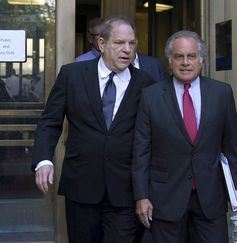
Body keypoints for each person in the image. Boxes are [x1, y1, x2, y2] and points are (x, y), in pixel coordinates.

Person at [32, 16, 155, 243]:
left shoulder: (146, 84)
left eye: (132, 43)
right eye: (119, 43)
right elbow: (50, 121)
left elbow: (153, 136)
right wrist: (43, 160)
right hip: (81, 185)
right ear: (101, 44)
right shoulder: (72, 75)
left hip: (126, 190)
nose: (127, 50)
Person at [132, 30, 237, 243]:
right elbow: (141, 150)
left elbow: (232, 146)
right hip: (165, 198)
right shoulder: (151, 96)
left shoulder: (222, 93)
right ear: (170, 61)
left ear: (201, 60)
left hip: (210, 197)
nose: (185, 62)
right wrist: (141, 196)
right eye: (179, 57)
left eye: (191, 56)